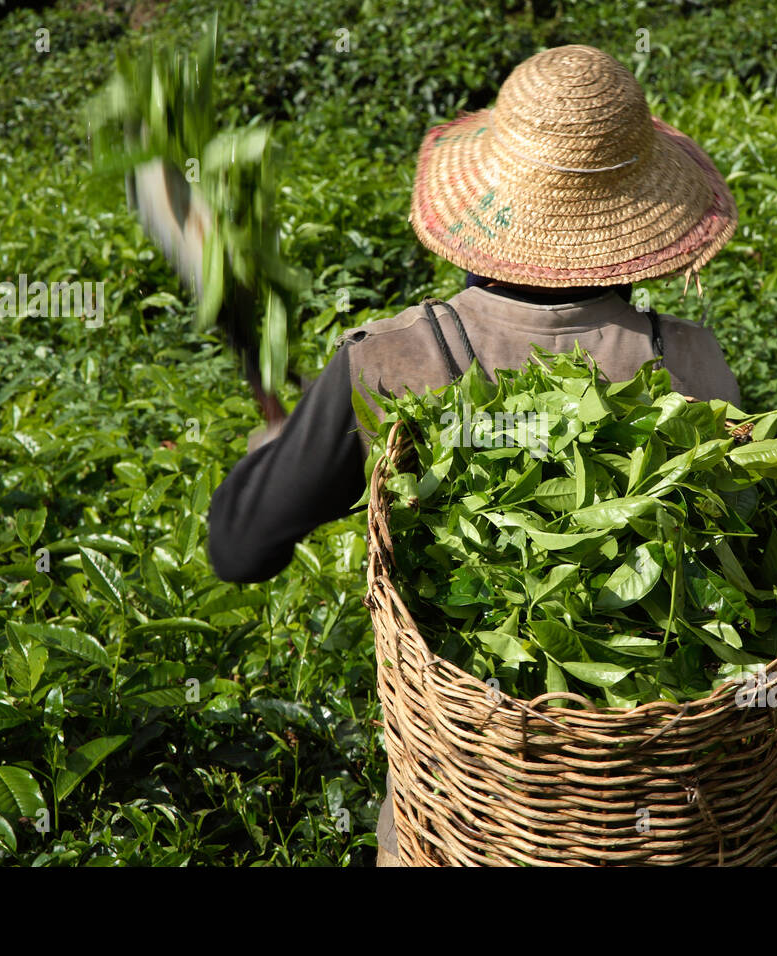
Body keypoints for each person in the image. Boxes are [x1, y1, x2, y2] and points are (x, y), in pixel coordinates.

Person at [207, 44, 741, 866]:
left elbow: (240, 550)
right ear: (641, 217)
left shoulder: (387, 363)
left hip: (467, 817)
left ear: (487, 205)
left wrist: (280, 446)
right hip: (665, 817)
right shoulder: (696, 362)